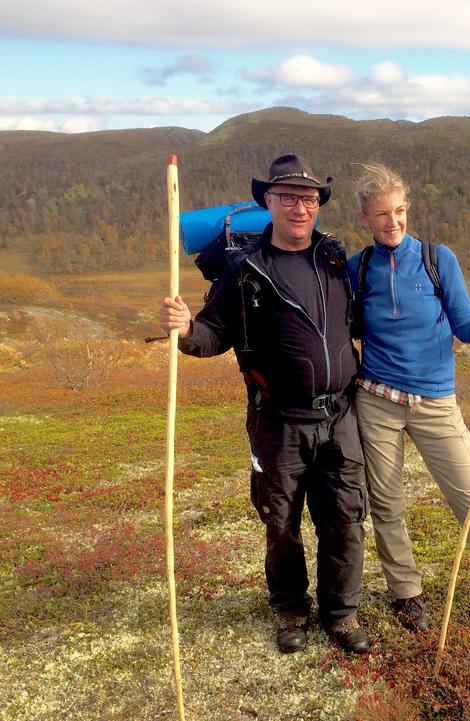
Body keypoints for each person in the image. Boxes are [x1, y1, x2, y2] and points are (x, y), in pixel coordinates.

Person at [159, 154, 370, 654]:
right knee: (281, 520)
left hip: (340, 415)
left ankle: (341, 613)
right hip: (278, 421)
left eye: (309, 198)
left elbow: (363, 322)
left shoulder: (335, 259)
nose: (300, 207)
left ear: (318, 205)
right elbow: (213, 333)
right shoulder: (245, 270)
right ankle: (291, 610)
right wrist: (187, 329)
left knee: (344, 517)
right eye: (288, 198)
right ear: (268, 203)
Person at [347, 163, 470, 634]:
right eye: (380, 214)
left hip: (435, 402)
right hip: (375, 402)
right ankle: (406, 594)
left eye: (398, 211)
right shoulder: (356, 269)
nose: (391, 222)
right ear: (363, 218)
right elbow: (347, 331)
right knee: (387, 503)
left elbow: (466, 327)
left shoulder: (439, 261)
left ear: (407, 210)